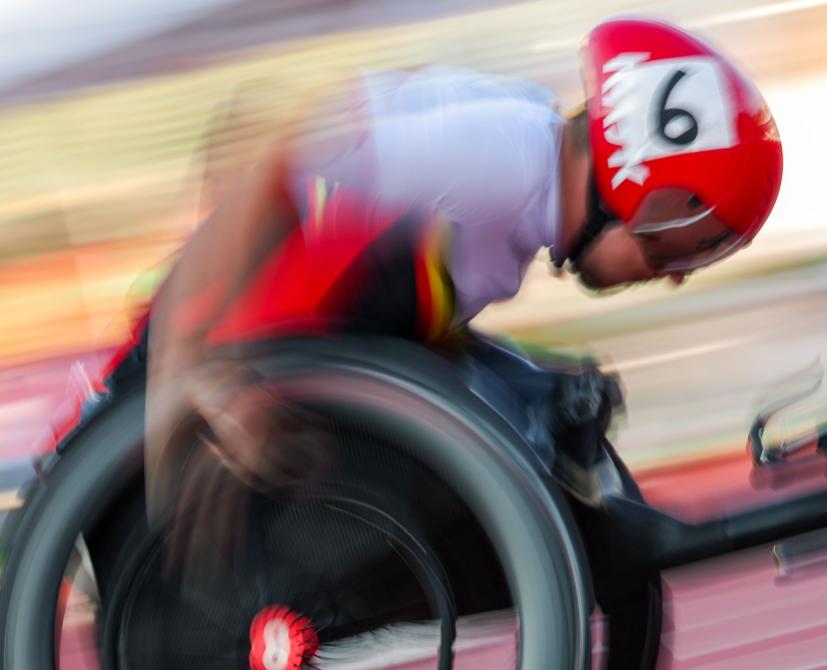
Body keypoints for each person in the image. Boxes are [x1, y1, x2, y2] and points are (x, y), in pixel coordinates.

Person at [125, 17, 783, 560]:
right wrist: (192, 361)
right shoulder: (502, 160)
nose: (672, 277)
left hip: (306, 333)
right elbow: (259, 131)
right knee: (434, 306)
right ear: (632, 188)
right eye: (678, 250)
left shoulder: (526, 146)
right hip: (210, 339)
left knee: (542, 390)